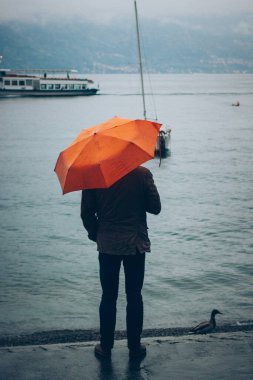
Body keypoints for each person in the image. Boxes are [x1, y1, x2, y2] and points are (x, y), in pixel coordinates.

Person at [81, 166, 161, 358]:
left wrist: (96, 235)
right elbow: (155, 208)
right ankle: (134, 346)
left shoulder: (93, 177)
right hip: (135, 243)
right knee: (134, 295)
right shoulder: (142, 174)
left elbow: (86, 214)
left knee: (108, 296)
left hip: (108, 244)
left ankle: (105, 347)